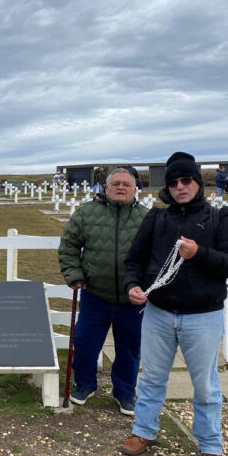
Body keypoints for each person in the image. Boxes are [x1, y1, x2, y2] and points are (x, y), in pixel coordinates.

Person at [120, 151, 228, 456]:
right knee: (150, 377)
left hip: (203, 316)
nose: (180, 186)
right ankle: (144, 431)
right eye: (174, 181)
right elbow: (135, 260)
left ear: (198, 182)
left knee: (205, 384)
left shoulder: (221, 217)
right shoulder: (156, 219)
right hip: (159, 312)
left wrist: (198, 254)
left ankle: (210, 446)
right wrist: (134, 285)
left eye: (186, 180)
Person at [58, 168, 148, 415]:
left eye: (126, 184)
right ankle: (84, 385)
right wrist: (74, 275)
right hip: (95, 294)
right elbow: (69, 246)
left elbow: (156, 255)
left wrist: (146, 285)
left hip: (132, 299)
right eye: (115, 183)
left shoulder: (146, 218)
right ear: (105, 188)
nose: (121, 187)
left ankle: (125, 392)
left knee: (129, 349)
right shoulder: (87, 213)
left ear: (134, 189)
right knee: (85, 342)